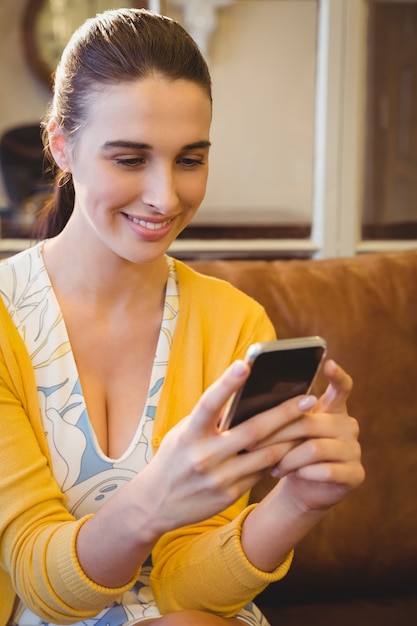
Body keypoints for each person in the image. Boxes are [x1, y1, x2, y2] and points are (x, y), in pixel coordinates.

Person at [0, 8, 364, 626]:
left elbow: (187, 587)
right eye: (130, 159)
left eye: (190, 160)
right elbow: (40, 581)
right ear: (61, 143)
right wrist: (152, 503)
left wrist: (299, 503)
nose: (166, 198)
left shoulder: (235, 324)